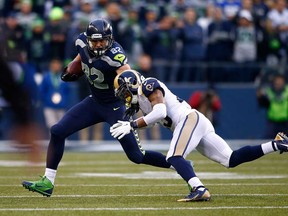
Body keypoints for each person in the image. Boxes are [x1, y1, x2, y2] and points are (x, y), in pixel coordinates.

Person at [22, 18, 171, 197]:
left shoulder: (115, 56)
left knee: (136, 156)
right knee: (57, 131)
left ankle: (177, 163)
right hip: (94, 102)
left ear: (110, 39)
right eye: (95, 40)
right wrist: (72, 69)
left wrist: (128, 86)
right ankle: (48, 182)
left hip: (115, 107)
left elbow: (129, 75)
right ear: (88, 38)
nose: (99, 44)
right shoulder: (81, 42)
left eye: (103, 40)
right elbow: (80, 58)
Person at [110, 69, 288, 202]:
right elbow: (154, 120)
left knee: (173, 157)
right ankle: (276, 144)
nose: (125, 97)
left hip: (188, 119)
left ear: (133, 84)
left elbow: (161, 111)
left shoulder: (148, 84)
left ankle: (199, 188)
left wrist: (132, 124)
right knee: (230, 159)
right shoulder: (141, 100)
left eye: (125, 92)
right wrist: (135, 124)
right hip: (193, 122)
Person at [256, 73, 288, 138]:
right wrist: (259, 97)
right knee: (269, 142)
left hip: (286, 122)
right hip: (273, 122)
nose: (278, 84)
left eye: (280, 82)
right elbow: (262, 103)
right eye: (277, 82)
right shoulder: (268, 92)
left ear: (284, 82)